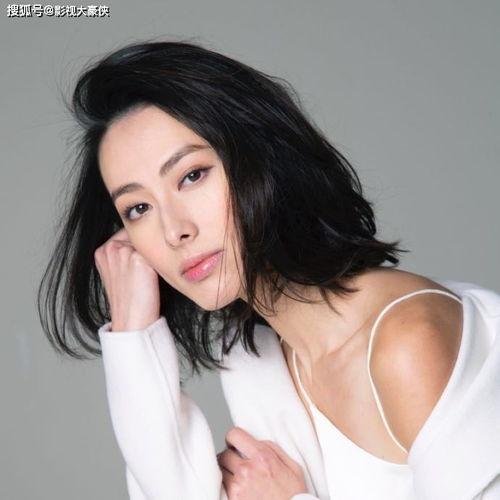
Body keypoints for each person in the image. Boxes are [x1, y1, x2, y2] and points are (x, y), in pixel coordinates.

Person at [37, 40, 500, 499]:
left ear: (262, 159)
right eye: (138, 208)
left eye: (192, 175)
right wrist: (133, 335)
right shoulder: (260, 359)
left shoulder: (408, 342)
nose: (174, 230)